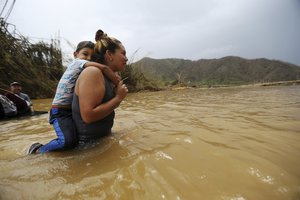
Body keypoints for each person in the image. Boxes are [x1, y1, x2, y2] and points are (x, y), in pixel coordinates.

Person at [28, 41, 120, 154]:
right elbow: (104, 68)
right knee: (67, 141)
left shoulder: (84, 70)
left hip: (68, 110)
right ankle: (38, 150)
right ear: (75, 54)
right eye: (85, 54)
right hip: (60, 111)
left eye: (92, 57)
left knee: (74, 139)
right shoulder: (77, 63)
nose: (88, 58)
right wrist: (116, 81)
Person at [72, 29, 128, 143]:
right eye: (123, 53)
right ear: (109, 54)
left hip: (102, 141)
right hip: (85, 148)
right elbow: (88, 116)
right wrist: (118, 98)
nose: (126, 58)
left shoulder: (110, 77)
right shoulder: (92, 73)